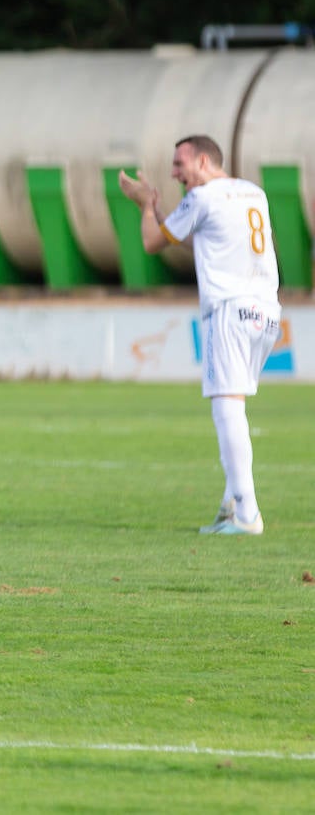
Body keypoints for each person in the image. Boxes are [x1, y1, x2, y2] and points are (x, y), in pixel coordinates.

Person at [118, 135, 281, 535]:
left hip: (228, 310)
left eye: (179, 164)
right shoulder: (252, 193)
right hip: (267, 312)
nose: (175, 174)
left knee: (226, 405)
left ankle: (247, 513)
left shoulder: (203, 198)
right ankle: (231, 505)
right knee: (234, 402)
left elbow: (152, 242)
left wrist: (146, 206)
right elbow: (216, 242)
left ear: (204, 160)